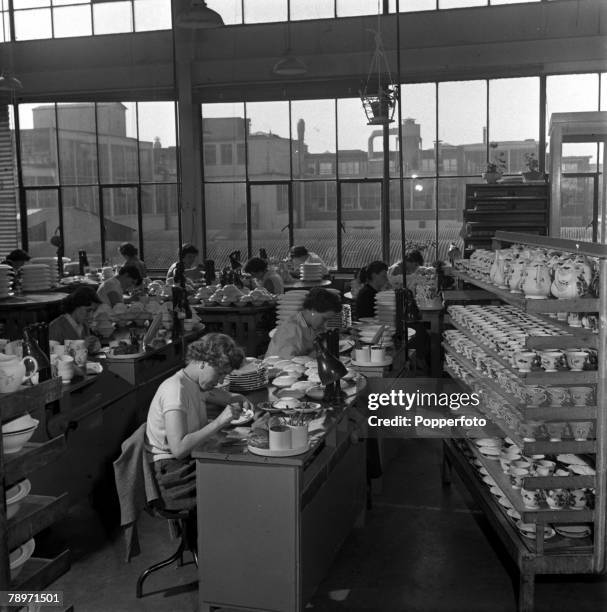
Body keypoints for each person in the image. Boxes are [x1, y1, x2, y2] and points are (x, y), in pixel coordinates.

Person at [145, 333, 252, 510]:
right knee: (240, 483)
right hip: (175, 473)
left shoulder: (192, 382)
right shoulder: (174, 391)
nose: (220, 381)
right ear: (203, 362)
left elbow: (212, 393)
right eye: (219, 374)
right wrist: (220, 421)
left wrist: (235, 397)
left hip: (189, 461)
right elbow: (179, 449)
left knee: (241, 468)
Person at [265, 287, 341, 358]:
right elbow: (286, 364)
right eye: (324, 319)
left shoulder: (311, 324)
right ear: (313, 310)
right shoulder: (290, 330)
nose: (326, 324)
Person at [50, 286, 102, 353]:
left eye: (94, 311)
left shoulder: (84, 325)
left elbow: (84, 352)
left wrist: (92, 346)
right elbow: (52, 356)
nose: (92, 316)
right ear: (76, 306)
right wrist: (82, 346)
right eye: (88, 310)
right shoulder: (56, 327)